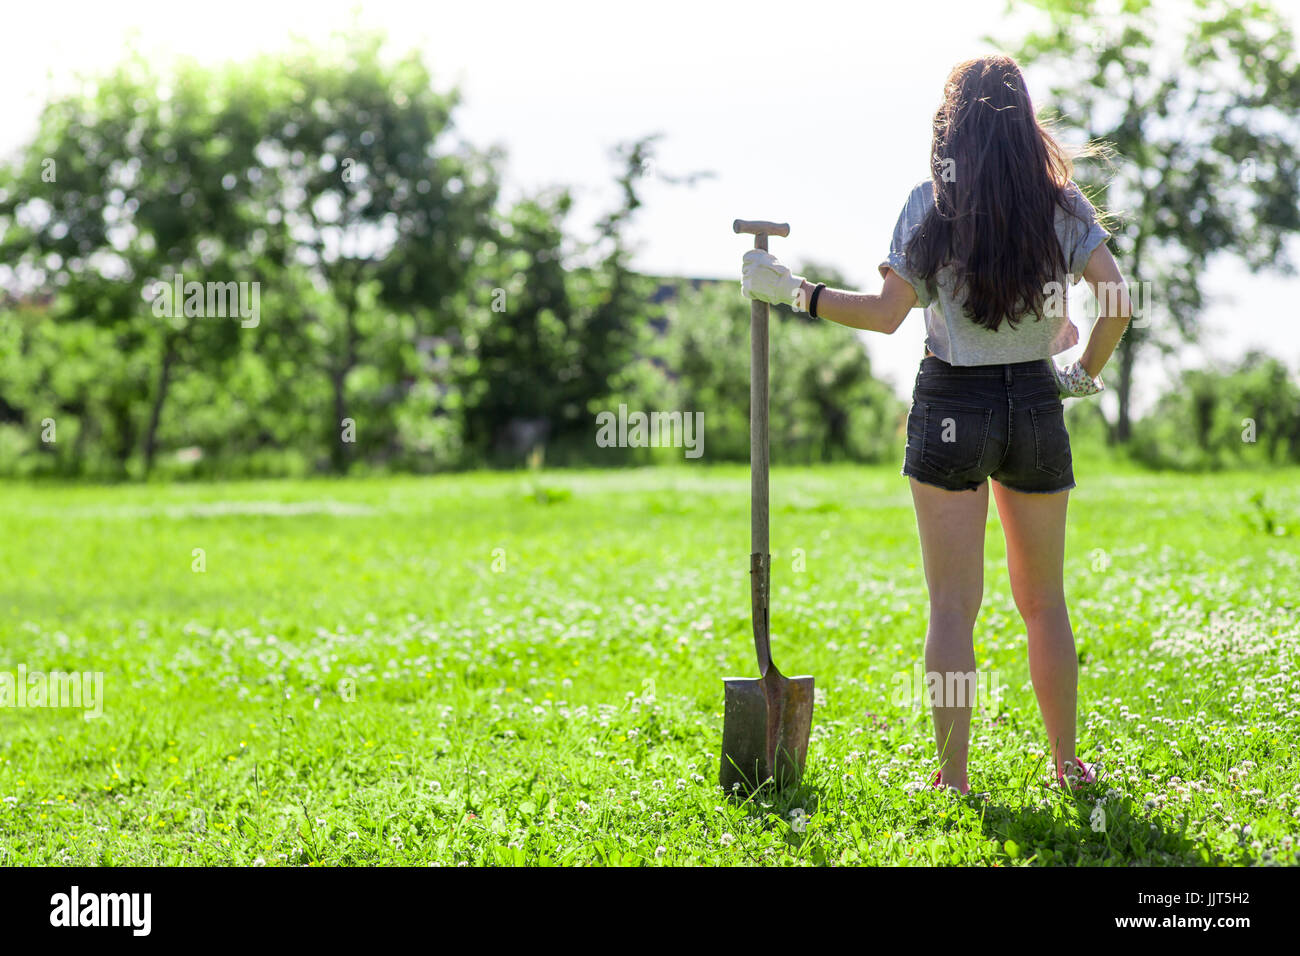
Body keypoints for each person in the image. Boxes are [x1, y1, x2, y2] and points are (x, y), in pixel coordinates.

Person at [740, 54, 1133, 795]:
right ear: (1027, 123)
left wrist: (795, 293)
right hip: (1037, 405)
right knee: (1044, 602)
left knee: (953, 606)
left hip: (954, 402)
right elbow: (1118, 302)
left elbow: (886, 317)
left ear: (950, 128)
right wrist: (1083, 377)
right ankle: (1066, 766)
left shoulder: (930, 203)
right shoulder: (1064, 206)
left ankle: (952, 779)